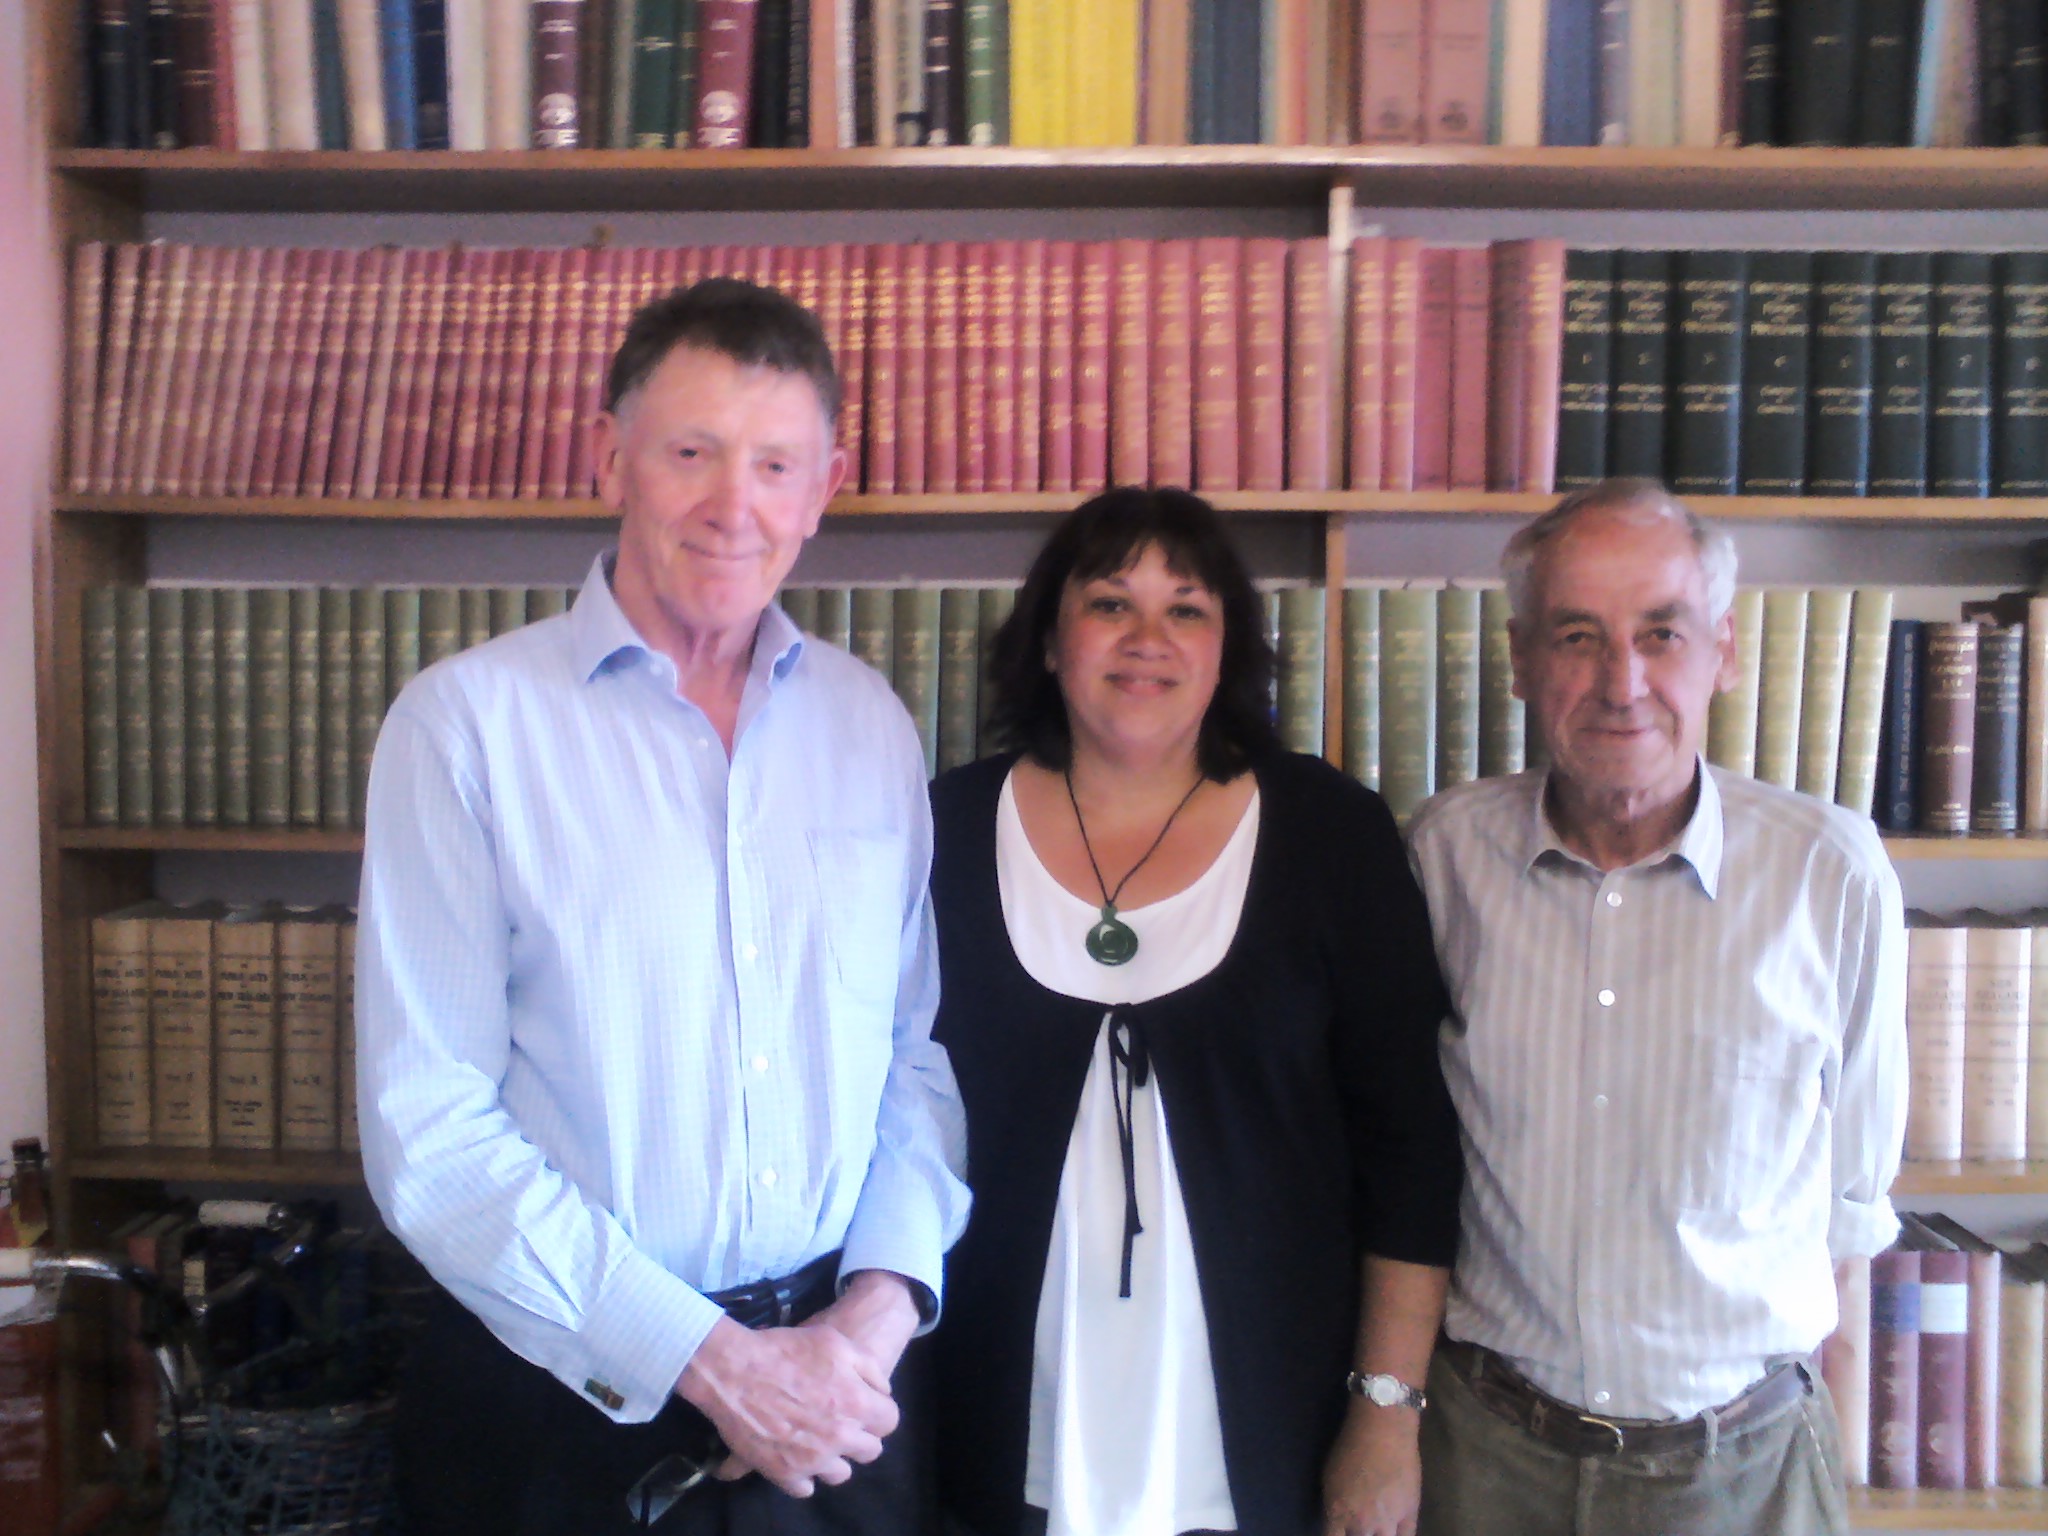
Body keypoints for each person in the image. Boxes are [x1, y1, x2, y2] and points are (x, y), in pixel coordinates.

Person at [355, 278, 972, 1536]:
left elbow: (908, 1057)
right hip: (556, 1411)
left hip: (839, 1409)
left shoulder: (869, 726)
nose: (732, 505)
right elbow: (429, 1127)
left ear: (822, 488)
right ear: (610, 457)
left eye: (775, 465)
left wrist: (876, 1312)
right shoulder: (466, 727)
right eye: (691, 452)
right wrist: (713, 1363)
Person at [927, 487, 1463, 1536]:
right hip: (995, 1425)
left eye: (1186, 609)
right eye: (1109, 603)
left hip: (1268, 1436)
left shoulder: (1330, 834)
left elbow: (1409, 1150)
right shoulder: (940, 829)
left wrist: (1386, 1415)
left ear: (1227, 651)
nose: (1148, 639)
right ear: (1050, 642)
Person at [1406, 479, 1908, 1536]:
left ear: (1722, 652)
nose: (1621, 682)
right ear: (1519, 659)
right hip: (1484, 1460)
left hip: (1743, 1475)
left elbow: (1851, 1203)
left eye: (1660, 635)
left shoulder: (1828, 873)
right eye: (1577, 636)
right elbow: (1396, 1156)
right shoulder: (1443, 858)